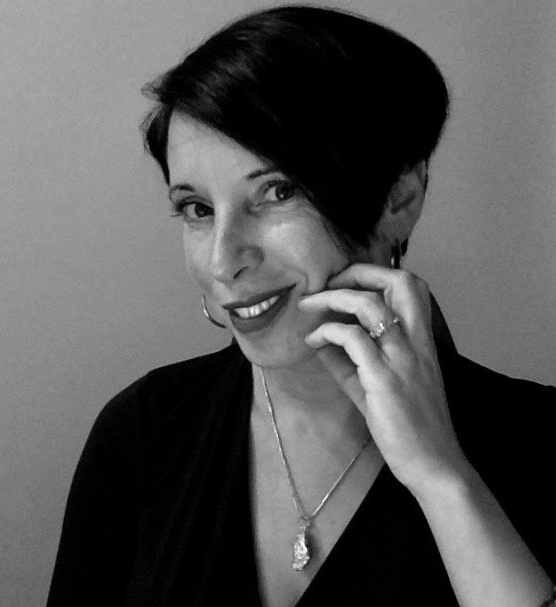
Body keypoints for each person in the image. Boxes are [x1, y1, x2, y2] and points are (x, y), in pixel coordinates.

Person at [47, 5, 555, 606]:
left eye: (278, 192)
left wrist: (442, 480)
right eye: (197, 209)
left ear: (399, 198)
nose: (223, 261)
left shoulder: (541, 443)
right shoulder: (142, 433)